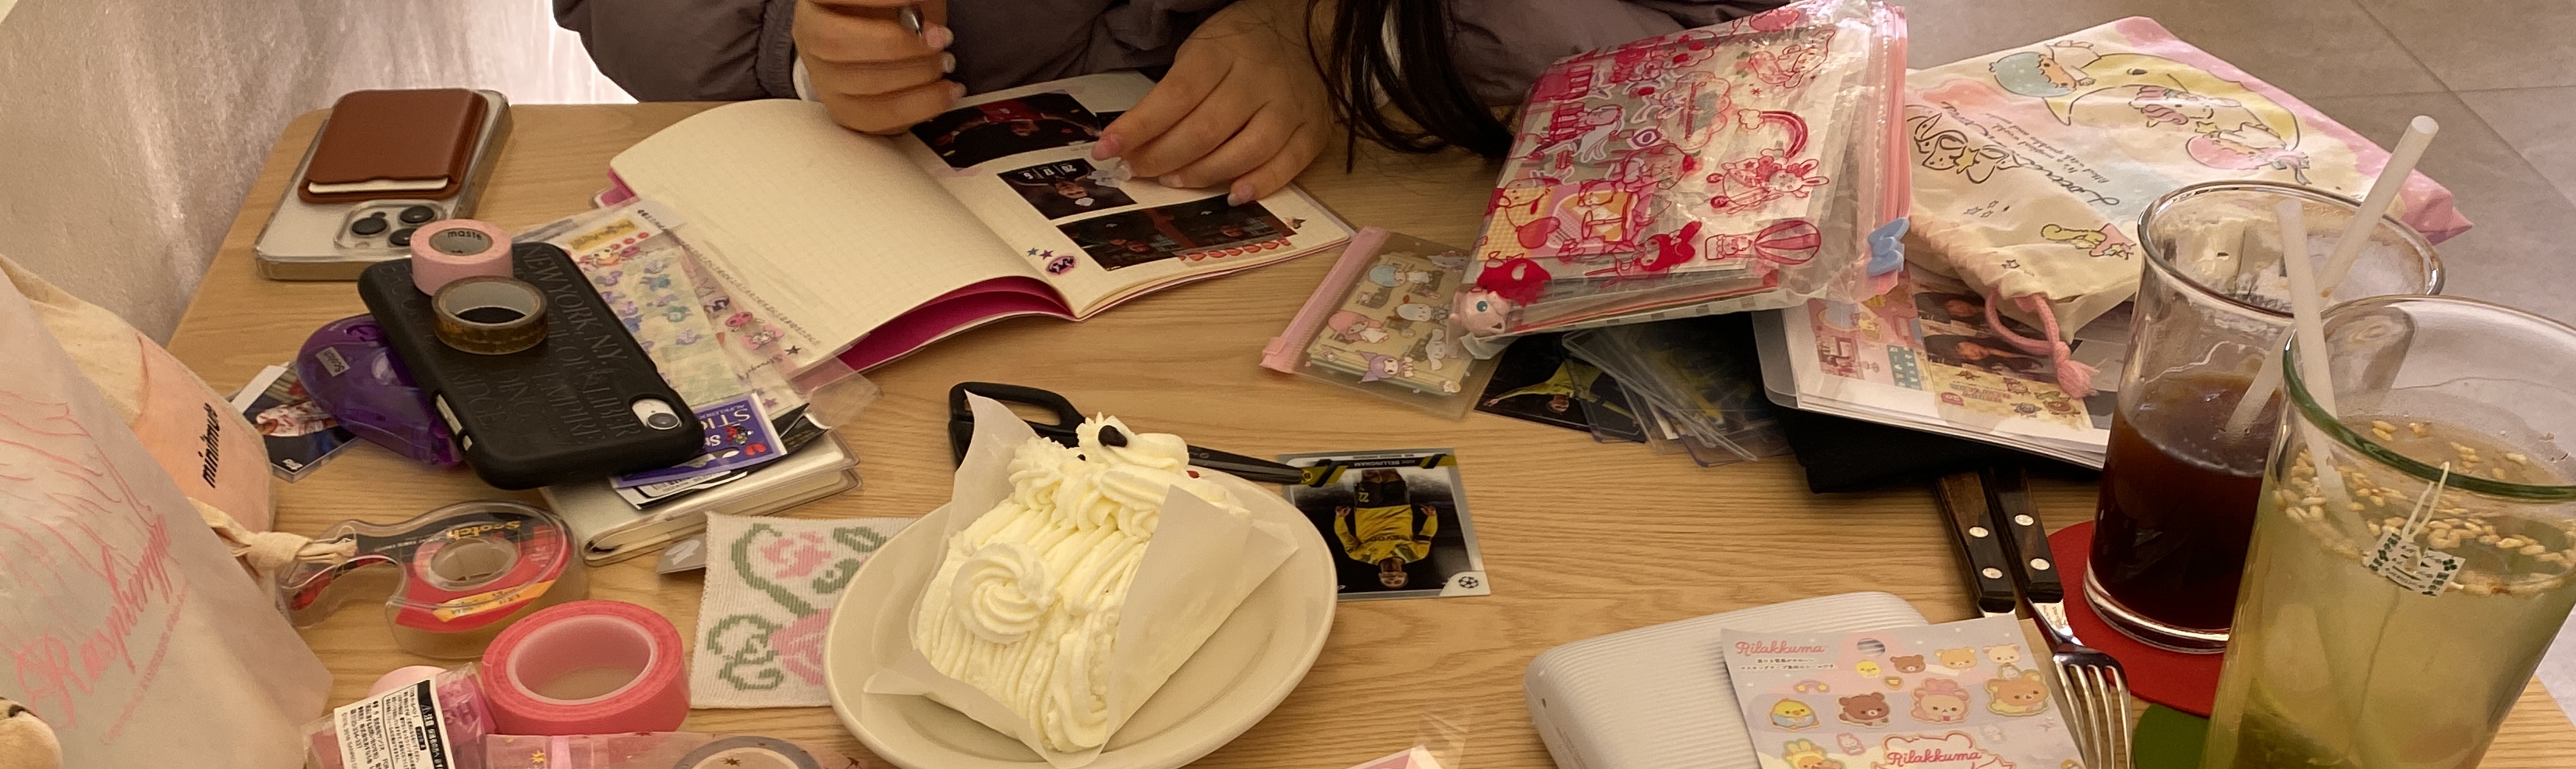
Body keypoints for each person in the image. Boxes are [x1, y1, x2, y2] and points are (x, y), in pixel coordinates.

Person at [557, 0, 1782, 202]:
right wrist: (793, 42)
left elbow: (1712, 50)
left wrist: (1346, 37)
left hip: (1389, 205)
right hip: (887, 214)